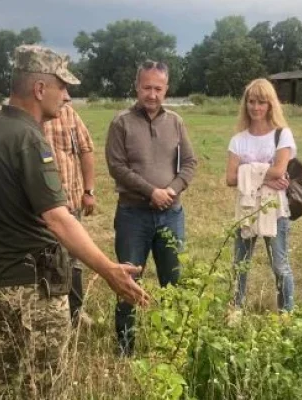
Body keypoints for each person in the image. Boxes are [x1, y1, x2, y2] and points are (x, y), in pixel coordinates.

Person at [0, 44, 149, 399]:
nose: (66, 96)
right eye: (62, 86)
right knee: (47, 384)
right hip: (34, 286)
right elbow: (58, 219)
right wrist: (109, 270)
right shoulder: (30, 140)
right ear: (39, 89)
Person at [105, 60, 197, 356]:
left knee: (173, 281)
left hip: (171, 214)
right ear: (137, 87)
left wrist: (171, 190)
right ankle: (125, 348)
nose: (153, 94)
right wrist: (150, 191)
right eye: (147, 87)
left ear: (166, 89)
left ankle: (171, 345)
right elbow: (117, 167)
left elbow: (190, 164)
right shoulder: (121, 123)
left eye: (158, 88)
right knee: (128, 281)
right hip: (133, 216)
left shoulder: (176, 122)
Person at [225, 78, 296, 314]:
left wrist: (250, 170)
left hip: (275, 209)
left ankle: (286, 312)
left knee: (279, 264)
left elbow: (280, 169)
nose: (256, 108)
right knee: (240, 264)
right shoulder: (238, 140)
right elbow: (231, 178)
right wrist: (266, 173)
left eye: (261, 102)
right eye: (251, 102)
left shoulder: (281, 135)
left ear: (270, 105)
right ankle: (235, 310)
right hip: (246, 209)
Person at [42, 103, 97, 326]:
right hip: (40, 208)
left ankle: (75, 312)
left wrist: (88, 191)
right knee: (44, 258)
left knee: (73, 259)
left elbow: (86, 149)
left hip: (70, 201)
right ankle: (48, 313)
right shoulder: (23, 120)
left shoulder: (69, 113)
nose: (64, 96)